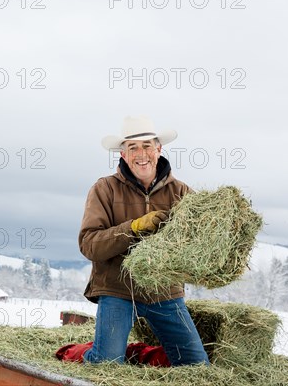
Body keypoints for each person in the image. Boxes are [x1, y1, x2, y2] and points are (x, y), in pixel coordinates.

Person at [79, 115, 209, 366]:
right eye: (133, 147)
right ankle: (78, 354)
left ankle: (138, 353)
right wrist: (135, 228)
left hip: (164, 291)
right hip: (118, 288)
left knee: (196, 366)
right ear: (123, 154)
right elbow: (89, 244)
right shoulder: (104, 189)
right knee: (106, 363)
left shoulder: (181, 193)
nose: (142, 154)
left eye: (147, 146)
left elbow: (197, 242)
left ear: (159, 149)